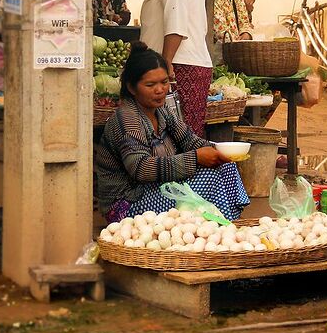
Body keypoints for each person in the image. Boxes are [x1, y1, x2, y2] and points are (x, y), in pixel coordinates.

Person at [95, 45, 250, 223]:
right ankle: (221, 229)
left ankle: (226, 225)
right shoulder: (128, 119)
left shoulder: (161, 111)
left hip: (155, 189)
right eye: (150, 84)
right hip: (127, 204)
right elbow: (140, 168)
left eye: (164, 82)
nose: (160, 90)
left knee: (225, 166)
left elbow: (189, 140)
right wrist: (195, 158)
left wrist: (219, 150)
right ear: (131, 87)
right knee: (210, 179)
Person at [140, 0, 212, 137]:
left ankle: (186, 174)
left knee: (175, 141)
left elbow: (176, 18)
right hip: (187, 64)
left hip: (178, 66)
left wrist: (165, 64)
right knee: (185, 138)